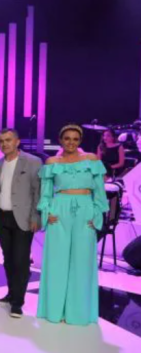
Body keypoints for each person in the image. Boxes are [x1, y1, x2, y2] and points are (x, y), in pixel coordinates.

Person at [38, 124, 108, 325]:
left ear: (80, 141)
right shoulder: (52, 162)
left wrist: (96, 214)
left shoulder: (91, 160)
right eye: (67, 138)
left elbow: (100, 191)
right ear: (60, 140)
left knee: (82, 262)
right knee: (57, 261)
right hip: (59, 211)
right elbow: (45, 192)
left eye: (75, 139)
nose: (71, 142)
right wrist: (47, 212)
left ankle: (78, 313)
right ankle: (54, 311)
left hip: (85, 210)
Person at [0, 128, 42, 318]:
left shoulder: (33, 162)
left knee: (20, 260)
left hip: (23, 218)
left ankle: (17, 303)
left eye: (8, 140)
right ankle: (11, 294)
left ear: (17, 142)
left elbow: (38, 191)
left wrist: (36, 217)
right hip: (2, 217)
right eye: (1, 141)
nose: (4, 144)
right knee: (8, 259)